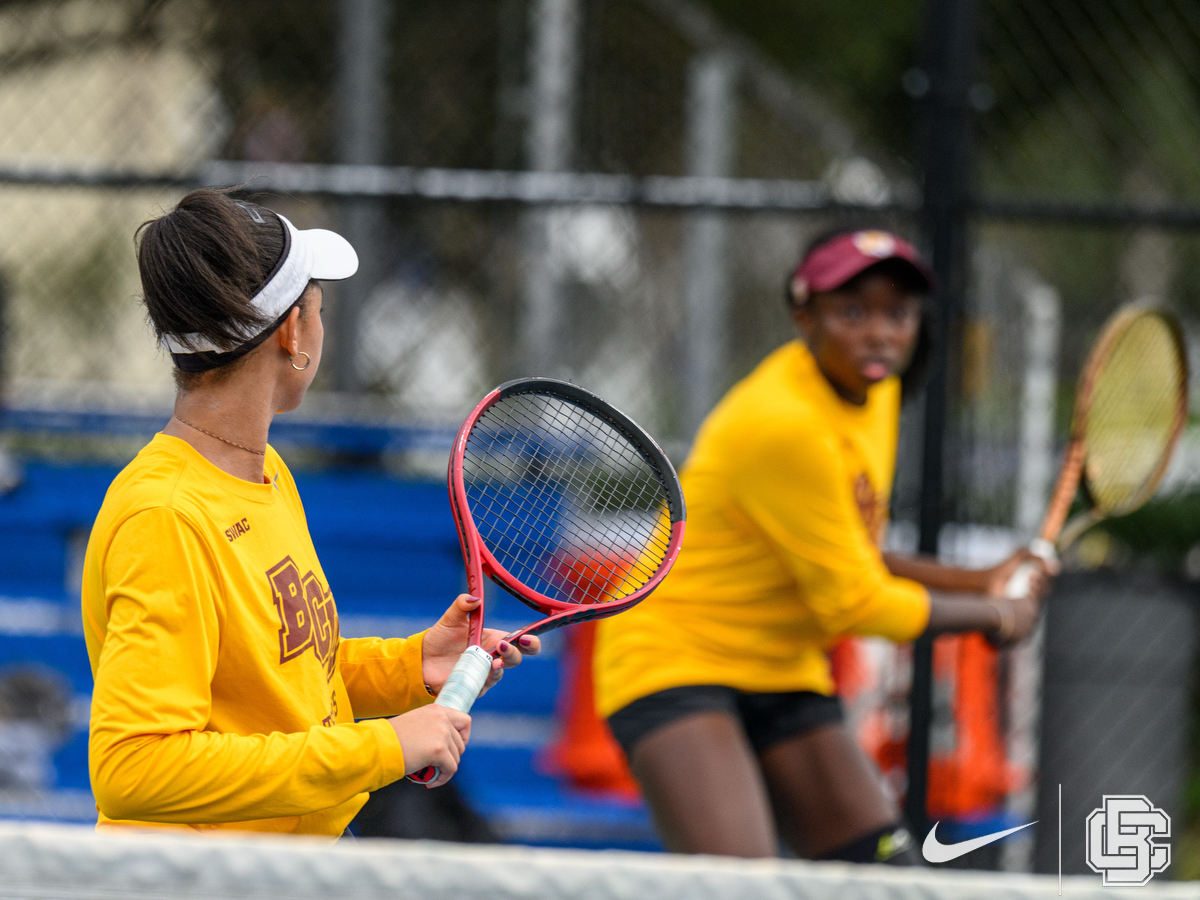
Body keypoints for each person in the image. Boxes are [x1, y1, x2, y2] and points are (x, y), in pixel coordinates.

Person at [81, 189, 538, 836]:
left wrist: (412, 667)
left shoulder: (265, 473)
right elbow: (134, 768)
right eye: (318, 309)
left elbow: (280, 681)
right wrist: (384, 747)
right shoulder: (166, 516)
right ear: (294, 331)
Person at [593, 227, 1053, 862]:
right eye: (853, 310)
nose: (880, 334)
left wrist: (981, 579)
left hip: (782, 665)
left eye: (897, 312)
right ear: (803, 314)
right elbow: (856, 606)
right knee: (739, 887)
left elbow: (848, 553)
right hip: (672, 657)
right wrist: (995, 614)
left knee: (882, 872)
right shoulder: (786, 425)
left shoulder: (877, 392)